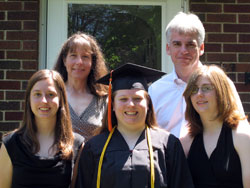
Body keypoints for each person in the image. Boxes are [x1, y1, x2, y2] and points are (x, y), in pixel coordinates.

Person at [75, 63, 194, 188]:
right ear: (113, 105)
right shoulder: (94, 147)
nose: (131, 104)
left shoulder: (168, 145)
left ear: (148, 104)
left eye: (137, 98)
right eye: (123, 99)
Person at [148, 12, 246, 138]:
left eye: (190, 45)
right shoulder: (156, 90)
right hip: (168, 157)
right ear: (168, 48)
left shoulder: (222, 85)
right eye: (177, 44)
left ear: (201, 48)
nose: (184, 51)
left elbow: (239, 126)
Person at [0, 70, 84, 188]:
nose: (44, 101)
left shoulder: (76, 144)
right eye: (37, 94)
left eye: (51, 94)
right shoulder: (10, 144)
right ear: (29, 99)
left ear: (61, 100)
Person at [181, 65, 250, 188]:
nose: (199, 94)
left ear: (221, 92)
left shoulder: (242, 136)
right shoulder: (186, 142)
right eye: (194, 89)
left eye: (206, 88)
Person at [54, 32, 108, 141]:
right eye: (73, 56)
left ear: (93, 62)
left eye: (85, 57)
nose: (79, 62)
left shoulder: (103, 100)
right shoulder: (53, 95)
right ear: (64, 60)